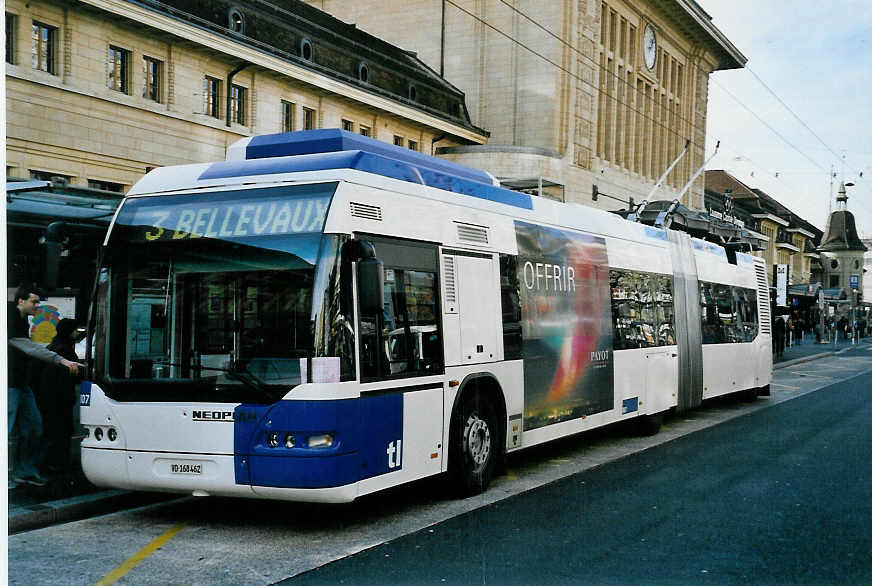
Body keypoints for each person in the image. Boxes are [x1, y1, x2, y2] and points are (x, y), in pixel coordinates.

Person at [8, 286, 81, 487]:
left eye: (39, 302)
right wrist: (62, 361)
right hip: (10, 385)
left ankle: (25, 470)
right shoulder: (9, 319)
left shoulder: (22, 320)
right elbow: (29, 347)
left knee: (34, 427)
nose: (37, 306)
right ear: (20, 302)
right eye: (34, 301)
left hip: (21, 384)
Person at [35, 318, 82, 473]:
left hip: (48, 396)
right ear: (69, 331)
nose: (77, 332)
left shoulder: (52, 346)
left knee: (51, 431)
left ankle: (49, 462)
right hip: (61, 398)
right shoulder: (66, 350)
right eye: (75, 330)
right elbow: (72, 374)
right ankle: (59, 463)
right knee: (63, 432)